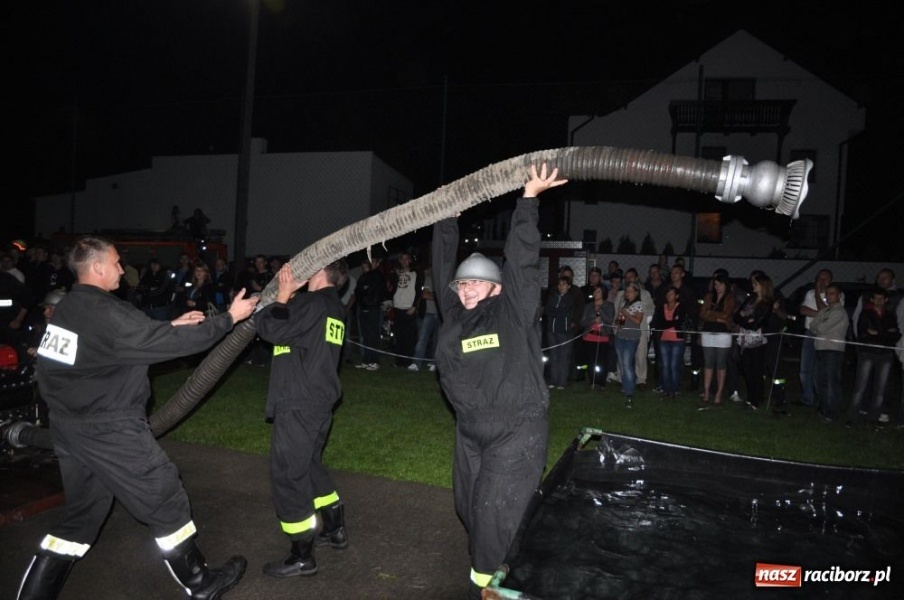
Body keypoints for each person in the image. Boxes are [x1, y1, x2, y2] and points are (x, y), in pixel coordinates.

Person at [18, 235, 258, 600]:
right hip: (110, 429)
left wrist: (171, 325)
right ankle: (201, 584)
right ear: (97, 268)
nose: (121, 268)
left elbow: (114, 345)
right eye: (116, 262)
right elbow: (154, 343)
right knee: (165, 496)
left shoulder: (69, 308)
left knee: (81, 520)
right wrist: (228, 319)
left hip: (70, 429)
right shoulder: (107, 312)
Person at [432, 162, 566, 598]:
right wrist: (447, 218)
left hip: (516, 427)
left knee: (491, 523)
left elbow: (522, 264)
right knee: (470, 509)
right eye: (462, 285)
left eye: (476, 284)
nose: (467, 289)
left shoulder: (513, 311)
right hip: (470, 430)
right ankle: (515, 561)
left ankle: (491, 591)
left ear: (496, 288)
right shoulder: (453, 316)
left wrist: (527, 201)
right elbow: (439, 268)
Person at [255, 260, 349, 578]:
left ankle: (301, 554)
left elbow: (270, 329)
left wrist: (282, 296)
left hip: (298, 400)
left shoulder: (310, 303)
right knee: (308, 465)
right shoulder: (334, 307)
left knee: (288, 476)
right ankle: (334, 528)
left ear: (320, 273)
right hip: (319, 400)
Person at [846, 288, 901, 425]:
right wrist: (885, 333)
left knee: (880, 389)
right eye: (876, 298)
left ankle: (874, 418)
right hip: (868, 353)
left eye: (881, 298)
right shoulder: (865, 314)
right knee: (860, 386)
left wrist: (877, 333)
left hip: (885, 354)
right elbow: (863, 334)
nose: (879, 301)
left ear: (886, 300)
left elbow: (896, 334)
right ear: (871, 299)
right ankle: (852, 417)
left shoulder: (889, 315)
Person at [809, 283, 848, 422]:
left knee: (832, 382)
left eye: (832, 293)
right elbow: (812, 326)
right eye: (827, 293)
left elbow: (821, 328)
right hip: (820, 348)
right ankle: (824, 408)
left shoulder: (839, 312)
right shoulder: (825, 311)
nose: (828, 296)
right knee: (820, 380)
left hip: (832, 350)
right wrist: (818, 325)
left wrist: (818, 325)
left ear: (839, 295)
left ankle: (832, 412)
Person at [734, 273, 774, 409]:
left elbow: (756, 324)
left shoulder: (767, 304)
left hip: (757, 342)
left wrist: (745, 320)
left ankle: (755, 399)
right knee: (747, 369)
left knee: (756, 370)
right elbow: (736, 317)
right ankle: (751, 397)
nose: (753, 286)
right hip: (744, 339)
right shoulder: (750, 300)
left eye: (756, 284)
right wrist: (746, 320)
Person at [698, 272, 735, 405]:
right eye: (715, 284)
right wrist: (718, 318)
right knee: (708, 363)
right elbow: (702, 313)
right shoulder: (709, 296)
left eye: (720, 284)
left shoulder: (730, 297)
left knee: (720, 363)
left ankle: (719, 393)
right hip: (708, 332)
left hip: (723, 334)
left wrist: (711, 314)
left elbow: (727, 314)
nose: (717, 287)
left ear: (726, 284)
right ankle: (707, 391)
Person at [797, 269, 832, 407]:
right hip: (809, 332)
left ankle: (821, 399)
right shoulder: (809, 293)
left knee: (820, 369)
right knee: (805, 368)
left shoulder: (835, 295)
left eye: (825, 279)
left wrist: (818, 295)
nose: (822, 282)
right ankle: (807, 398)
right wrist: (820, 314)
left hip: (824, 335)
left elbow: (826, 312)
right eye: (820, 279)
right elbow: (802, 310)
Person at [353, 251, 388, 370]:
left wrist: (368, 299)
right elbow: (358, 291)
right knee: (366, 336)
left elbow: (377, 293)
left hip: (373, 309)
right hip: (363, 309)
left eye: (373, 261)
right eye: (370, 261)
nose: (371, 263)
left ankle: (374, 361)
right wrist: (364, 291)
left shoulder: (378, 275)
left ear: (378, 263)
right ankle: (366, 360)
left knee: (373, 335)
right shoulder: (365, 276)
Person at [651, 286, 688, 398]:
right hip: (664, 339)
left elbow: (679, 323)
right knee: (665, 365)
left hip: (677, 340)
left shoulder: (681, 307)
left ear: (676, 296)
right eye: (667, 294)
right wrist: (672, 322)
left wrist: (668, 323)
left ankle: (675, 389)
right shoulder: (661, 308)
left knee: (674, 365)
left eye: (671, 294)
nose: (669, 296)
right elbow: (659, 323)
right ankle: (666, 389)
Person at [614, 281, 645, 408]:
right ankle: (626, 386)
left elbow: (638, 321)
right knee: (622, 363)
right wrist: (619, 319)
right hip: (620, 335)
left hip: (631, 337)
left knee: (627, 363)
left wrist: (626, 314)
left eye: (630, 291)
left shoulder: (639, 305)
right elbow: (619, 321)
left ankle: (630, 392)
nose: (628, 293)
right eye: (626, 291)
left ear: (636, 292)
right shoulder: (624, 304)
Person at [389, 251, 422, 368]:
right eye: (402, 259)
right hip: (398, 307)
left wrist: (414, 306)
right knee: (398, 336)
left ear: (410, 260)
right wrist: (395, 276)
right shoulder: (396, 273)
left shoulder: (415, 274)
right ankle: (398, 361)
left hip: (409, 307)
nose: (404, 261)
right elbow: (391, 289)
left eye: (406, 259)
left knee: (408, 336)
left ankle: (408, 361)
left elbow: (419, 291)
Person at [580, 286, 615, 389]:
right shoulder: (588, 306)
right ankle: (593, 381)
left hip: (603, 337)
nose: (596, 293)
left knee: (602, 361)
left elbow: (609, 319)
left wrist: (600, 310)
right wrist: (593, 321)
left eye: (598, 291)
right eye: (595, 291)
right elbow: (583, 322)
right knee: (591, 361)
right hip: (590, 336)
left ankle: (601, 382)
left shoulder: (609, 305)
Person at [545, 275, 576, 390]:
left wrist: (555, 311)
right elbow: (548, 310)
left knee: (563, 357)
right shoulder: (554, 297)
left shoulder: (570, 299)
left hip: (564, 331)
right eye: (560, 284)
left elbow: (562, 312)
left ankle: (562, 382)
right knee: (553, 356)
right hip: (551, 330)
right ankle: (554, 380)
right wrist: (554, 311)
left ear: (568, 286)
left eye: (564, 284)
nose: (561, 286)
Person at [410, 265, 439, 371]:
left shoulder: (444, 280)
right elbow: (425, 295)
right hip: (429, 313)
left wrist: (435, 296)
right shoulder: (429, 279)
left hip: (441, 314)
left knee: (438, 340)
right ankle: (416, 363)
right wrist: (438, 297)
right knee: (422, 338)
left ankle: (434, 363)